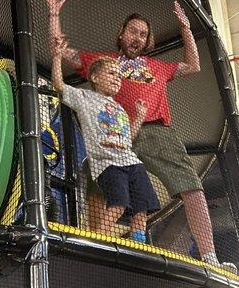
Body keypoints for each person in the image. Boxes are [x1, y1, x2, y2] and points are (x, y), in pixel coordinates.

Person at [46, 0, 236, 269]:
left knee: (189, 185)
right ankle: (98, 246)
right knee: (95, 179)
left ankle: (210, 257)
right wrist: (54, 15)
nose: (137, 37)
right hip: (114, 132)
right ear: (121, 34)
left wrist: (185, 27)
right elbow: (60, 49)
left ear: (148, 42)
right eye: (133, 31)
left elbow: (193, 65)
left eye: (143, 34)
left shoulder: (157, 67)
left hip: (155, 130)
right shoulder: (103, 62)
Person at [51, 36, 160, 243]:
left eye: (119, 76)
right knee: (118, 205)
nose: (116, 78)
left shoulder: (119, 108)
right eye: (111, 73)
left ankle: (139, 242)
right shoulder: (84, 98)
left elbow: (129, 137)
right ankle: (98, 239)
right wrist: (57, 57)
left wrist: (138, 116)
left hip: (131, 161)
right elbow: (59, 84)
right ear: (94, 77)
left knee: (142, 206)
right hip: (107, 163)